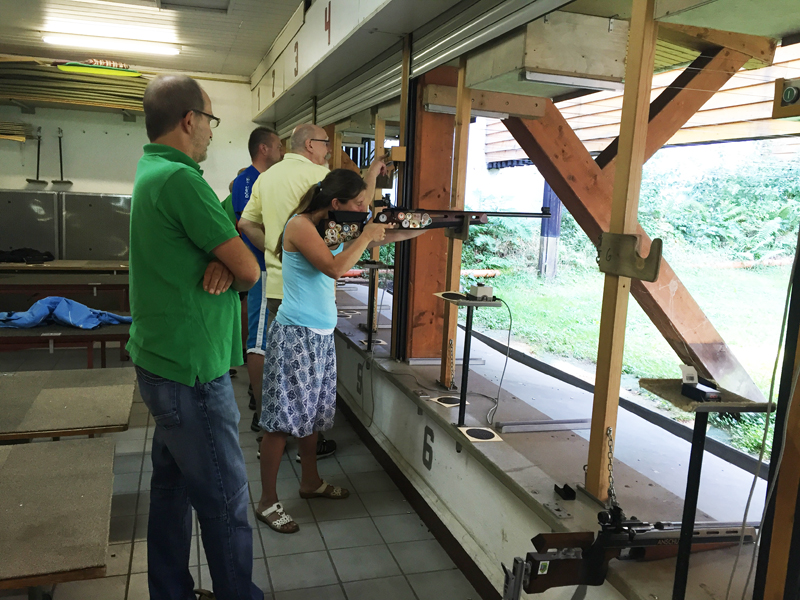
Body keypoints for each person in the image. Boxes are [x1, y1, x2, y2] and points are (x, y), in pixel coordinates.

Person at [127, 73, 262, 600]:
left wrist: (221, 257)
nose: (210, 131)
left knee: (171, 488)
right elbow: (249, 269)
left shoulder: (151, 170)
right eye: (210, 120)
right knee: (225, 500)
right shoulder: (182, 180)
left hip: (160, 360)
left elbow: (220, 255)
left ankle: (170, 591)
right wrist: (231, 260)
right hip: (192, 371)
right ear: (190, 120)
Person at [254, 169, 389, 533]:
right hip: (295, 335)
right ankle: (266, 502)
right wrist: (367, 235)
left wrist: (414, 226)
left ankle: (310, 482)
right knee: (281, 423)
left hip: (319, 336)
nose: (362, 210)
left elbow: (380, 235)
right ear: (336, 202)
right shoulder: (300, 226)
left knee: (312, 417)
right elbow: (334, 268)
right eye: (357, 203)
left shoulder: (332, 227)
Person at [239, 123, 384, 462]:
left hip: (277, 285)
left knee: (270, 358)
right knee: (303, 387)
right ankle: (281, 436)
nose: (329, 150)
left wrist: (276, 252)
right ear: (309, 145)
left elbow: (245, 223)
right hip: (306, 302)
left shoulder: (266, 177)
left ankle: (269, 423)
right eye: (325, 143)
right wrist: (371, 179)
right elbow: (356, 220)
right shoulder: (321, 178)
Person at [230, 128, 284, 431]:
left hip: (272, 268)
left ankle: (261, 397)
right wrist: (278, 251)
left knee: (265, 337)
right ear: (263, 148)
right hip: (262, 268)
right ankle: (262, 414)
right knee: (259, 339)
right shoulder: (247, 180)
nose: (282, 151)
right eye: (278, 146)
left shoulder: (269, 179)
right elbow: (247, 224)